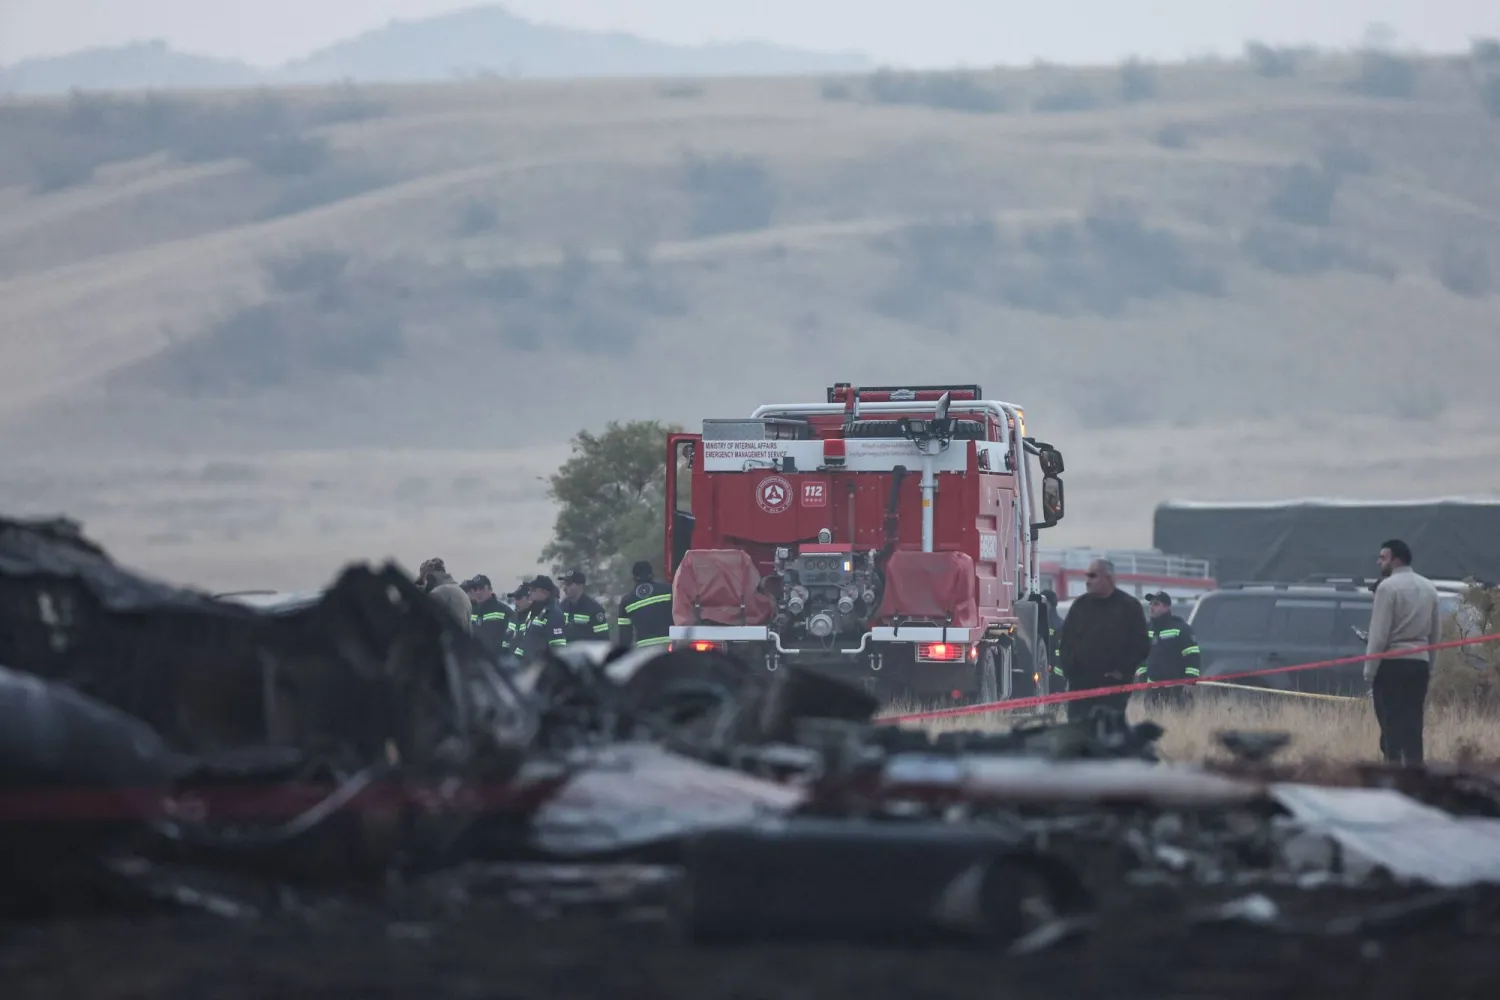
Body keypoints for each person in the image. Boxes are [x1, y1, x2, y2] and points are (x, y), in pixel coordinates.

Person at [1365, 538, 1441, 765]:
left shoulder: (1387, 588)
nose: (1378, 562)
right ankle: (1416, 775)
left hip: (1392, 664)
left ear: (1396, 559)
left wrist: (1370, 669)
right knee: (1414, 724)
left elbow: (1379, 635)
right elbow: (1436, 635)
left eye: (1383, 557)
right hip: (1419, 664)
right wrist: (1430, 666)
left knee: (1391, 725)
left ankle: (1393, 776)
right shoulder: (1429, 587)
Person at [1057, 559, 1150, 723]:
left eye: (1093, 576)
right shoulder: (1080, 606)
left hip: (1113, 688)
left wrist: (1121, 671)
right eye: (1087, 576)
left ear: (1109, 579)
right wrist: (1070, 670)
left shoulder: (1128, 607)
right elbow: (1066, 641)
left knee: (1108, 733)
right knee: (1079, 733)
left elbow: (1141, 645)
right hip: (1080, 688)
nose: (1088, 581)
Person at [1134, 592, 1202, 709]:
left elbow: (1192, 656)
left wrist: (1190, 681)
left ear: (1166, 607)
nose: (1151, 607)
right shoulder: (1146, 629)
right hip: (1153, 692)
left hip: (1178, 691)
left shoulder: (1181, 629)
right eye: (1150, 604)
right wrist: (1143, 675)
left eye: (1156, 604)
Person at [617, 560, 672, 649]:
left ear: (634, 577)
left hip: (644, 651)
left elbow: (624, 636)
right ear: (651, 574)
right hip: (669, 645)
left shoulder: (626, 601)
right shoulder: (668, 590)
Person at [462, 574, 514, 659]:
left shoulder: (504, 611)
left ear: (490, 590)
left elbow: (513, 638)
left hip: (496, 662)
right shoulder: (471, 611)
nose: (478, 592)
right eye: (475, 589)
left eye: (481, 588)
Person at [520, 575, 568, 660]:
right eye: (530, 590)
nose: (529, 593)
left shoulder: (554, 614)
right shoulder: (536, 611)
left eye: (533, 590)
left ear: (545, 592)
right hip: (529, 666)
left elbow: (558, 649)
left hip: (542, 669)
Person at [417, 557, 471, 634]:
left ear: (428, 577)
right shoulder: (461, 592)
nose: (424, 584)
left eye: (424, 580)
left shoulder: (438, 593)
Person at [559, 570, 612, 643]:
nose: (564, 588)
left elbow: (603, 639)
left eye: (569, 584)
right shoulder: (562, 606)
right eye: (564, 584)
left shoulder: (594, 609)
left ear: (580, 586)